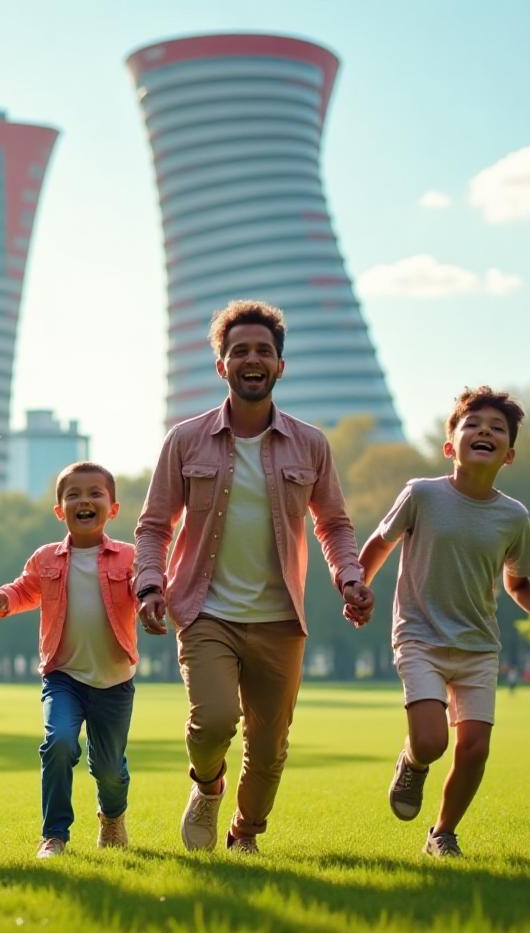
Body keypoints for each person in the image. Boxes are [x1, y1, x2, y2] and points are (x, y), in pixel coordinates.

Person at [135, 299, 374, 856]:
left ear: (279, 367)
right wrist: (150, 585)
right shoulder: (185, 440)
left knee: (269, 750)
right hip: (204, 611)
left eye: (263, 351)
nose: (252, 359)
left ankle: (245, 835)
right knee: (214, 721)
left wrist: (350, 577)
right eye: (239, 350)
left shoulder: (310, 443)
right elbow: (152, 525)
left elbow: (334, 523)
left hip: (280, 619)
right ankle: (207, 785)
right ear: (221, 366)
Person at [357, 386, 530, 858]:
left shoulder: (513, 516)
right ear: (450, 444)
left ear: (509, 455)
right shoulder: (422, 494)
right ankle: (413, 761)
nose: (485, 432)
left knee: (474, 748)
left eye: (497, 429)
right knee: (432, 741)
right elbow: (379, 542)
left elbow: (517, 583)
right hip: (418, 635)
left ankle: (442, 833)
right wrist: (359, 585)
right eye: (473, 424)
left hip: (478, 644)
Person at [0, 462, 139, 859]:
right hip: (64, 677)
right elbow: (22, 591)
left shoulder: (129, 557)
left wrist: (160, 608)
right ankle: (54, 835)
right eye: (73, 494)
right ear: (60, 510)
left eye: (94, 493)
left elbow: (151, 592)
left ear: (113, 508)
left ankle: (112, 817)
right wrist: (0, 598)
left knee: (108, 769)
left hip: (115, 680)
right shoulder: (46, 558)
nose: (84, 501)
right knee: (58, 743)